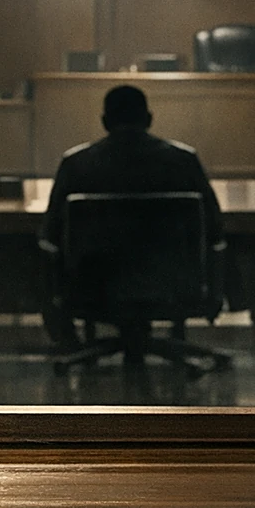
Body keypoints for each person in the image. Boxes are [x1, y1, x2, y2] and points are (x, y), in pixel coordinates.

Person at [41, 85, 223, 346]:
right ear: (149, 119)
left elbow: (50, 234)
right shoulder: (183, 162)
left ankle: (68, 342)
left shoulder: (76, 165)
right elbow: (215, 228)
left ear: (104, 122)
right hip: (173, 284)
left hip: (93, 287)